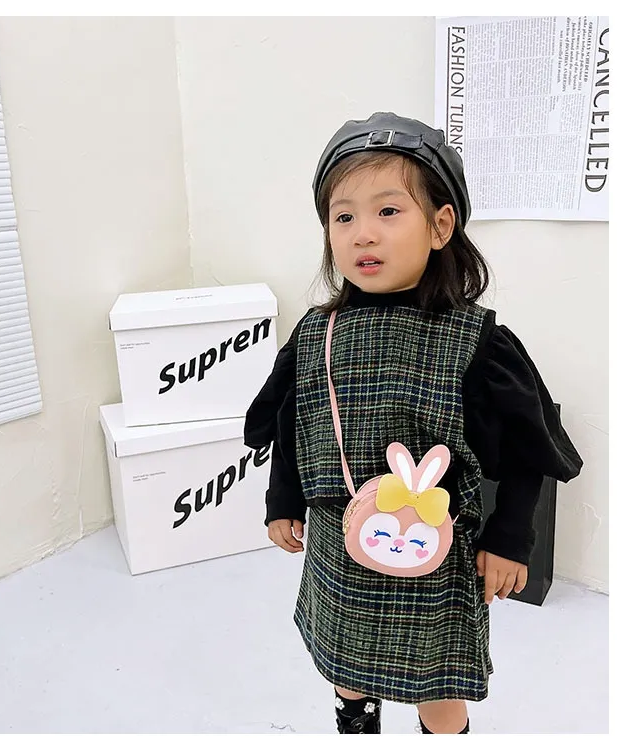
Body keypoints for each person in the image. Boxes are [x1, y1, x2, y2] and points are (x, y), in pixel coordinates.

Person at [243, 112, 583, 734]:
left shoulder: (476, 341)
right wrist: (282, 499)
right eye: (343, 217)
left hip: (435, 554)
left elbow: (526, 452)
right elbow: (296, 426)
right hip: (339, 545)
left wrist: (511, 538)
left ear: (440, 225)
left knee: (439, 686)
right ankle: (356, 724)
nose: (363, 234)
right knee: (346, 666)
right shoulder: (317, 333)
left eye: (388, 211)